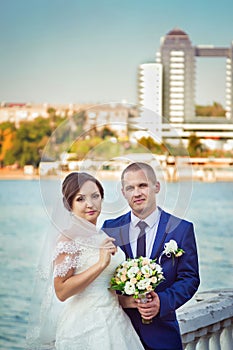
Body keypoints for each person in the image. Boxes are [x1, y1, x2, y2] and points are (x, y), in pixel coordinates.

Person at [26, 172, 144, 350]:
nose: (90, 204)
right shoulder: (69, 238)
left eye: (95, 196)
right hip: (85, 327)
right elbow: (61, 291)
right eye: (80, 199)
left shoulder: (101, 234)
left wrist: (126, 300)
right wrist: (100, 264)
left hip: (116, 322)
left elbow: (104, 284)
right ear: (70, 204)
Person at [102, 162, 200, 350]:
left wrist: (161, 302)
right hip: (117, 335)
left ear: (156, 187)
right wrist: (123, 301)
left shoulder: (181, 229)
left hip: (162, 336)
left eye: (143, 185)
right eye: (130, 188)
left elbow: (190, 278)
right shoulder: (110, 229)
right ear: (123, 192)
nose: (137, 193)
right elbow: (101, 280)